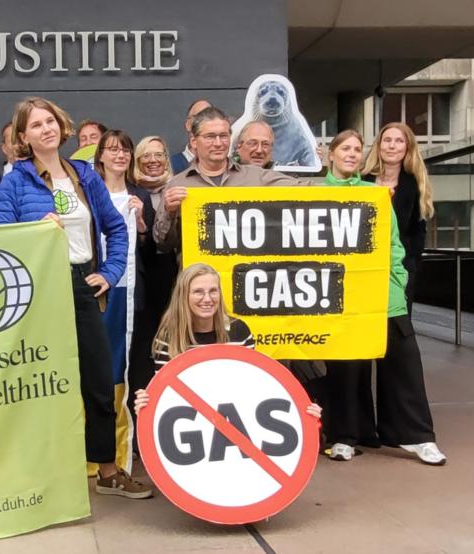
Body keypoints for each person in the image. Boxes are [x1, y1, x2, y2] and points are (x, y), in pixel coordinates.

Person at [0, 97, 151, 500]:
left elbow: (117, 229)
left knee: (98, 380)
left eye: (50, 121)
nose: (45, 129)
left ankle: (108, 471)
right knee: (40, 384)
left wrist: (111, 272)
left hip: (83, 283)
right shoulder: (15, 180)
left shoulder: (84, 175)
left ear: (61, 127)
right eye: (35, 125)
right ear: (23, 136)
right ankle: (41, 475)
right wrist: (33, 229)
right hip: (38, 289)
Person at [321, 129, 446, 466]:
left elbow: (394, 242)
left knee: (403, 360)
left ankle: (417, 436)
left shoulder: (375, 194)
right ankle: (345, 435)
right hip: (337, 296)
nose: (352, 154)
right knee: (346, 365)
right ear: (330, 153)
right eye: (345, 148)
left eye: (357, 149)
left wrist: (398, 280)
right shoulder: (315, 193)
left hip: (383, 293)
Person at [132, 263, 322, 420]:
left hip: (236, 420)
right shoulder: (169, 337)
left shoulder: (239, 331)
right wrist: (148, 404)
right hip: (190, 422)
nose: (207, 299)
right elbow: (166, 395)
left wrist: (300, 410)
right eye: (198, 292)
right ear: (184, 296)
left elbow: (254, 385)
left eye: (213, 291)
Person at [152, 107, 309, 256]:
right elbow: (162, 244)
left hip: (243, 276)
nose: (219, 143)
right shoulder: (178, 185)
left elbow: (309, 190)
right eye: (210, 137)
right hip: (200, 281)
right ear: (194, 141)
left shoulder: (257, 177)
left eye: (224, 136)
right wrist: (169, 212)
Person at [95, 132, 169, 417]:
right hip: (97, 285)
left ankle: (133, 430)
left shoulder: (137, 194)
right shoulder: (89, 191)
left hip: (131, 289)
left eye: (125, 150)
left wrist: (140, 226)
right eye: (112, 150)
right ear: (99, 155)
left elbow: (152, 251)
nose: (120, 155)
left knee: (134, 357)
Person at [362, 122, 435, 314]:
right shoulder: (361, 179)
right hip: (363, 267)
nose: (392, 146)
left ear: (407, 148)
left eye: (399, 141)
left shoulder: (415, 185)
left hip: (398, 269)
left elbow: (417, 234)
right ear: (379, 145)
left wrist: (409, 269)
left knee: (399, 330)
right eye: (387, 140)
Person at [169, 99, 212, 172]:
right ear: (188, 125)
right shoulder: (170, 166)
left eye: (210, 117)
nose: (205, 121)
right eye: (199, 116)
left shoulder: (226, 166)